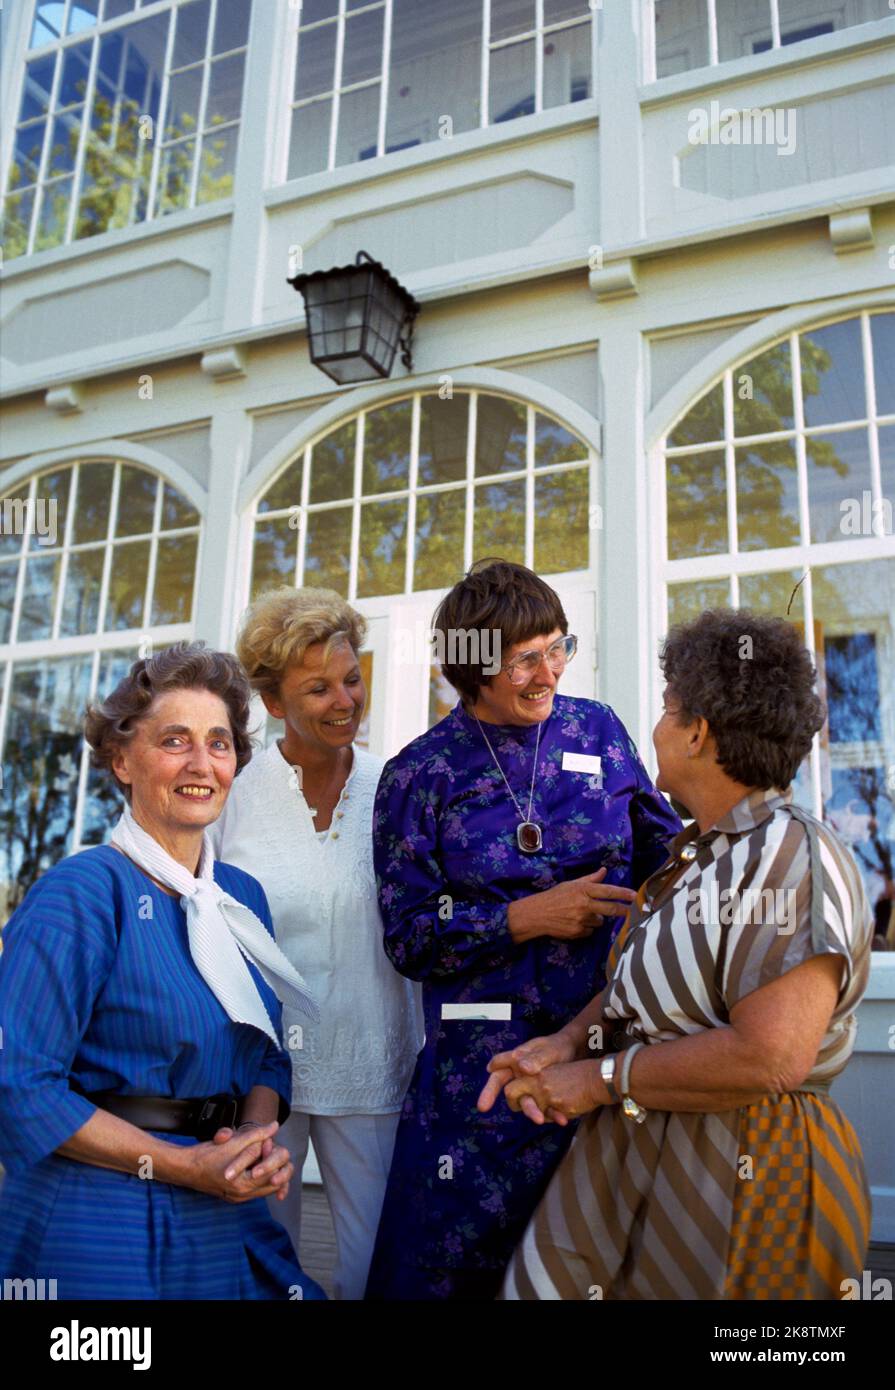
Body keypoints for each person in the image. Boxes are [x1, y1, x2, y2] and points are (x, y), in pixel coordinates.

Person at [481, 608, 874, 1301]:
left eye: (666, 711)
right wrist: (568, 1043)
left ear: (697, 733)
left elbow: (769, 1056)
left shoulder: (787, 857)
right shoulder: (695, 855)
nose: (655, 729)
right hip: (636, 1155)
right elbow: (645, 994)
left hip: (745, 1168)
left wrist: (599, 1080)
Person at [364, 559, 682, 1300]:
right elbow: (408, 936)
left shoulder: (596, 729)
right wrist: (521, 918)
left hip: (606, 1047)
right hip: (482, 1080)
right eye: (523, 660)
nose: (548, 673)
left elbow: (666, 862)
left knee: (606, 1264)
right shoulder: (419, 776)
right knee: (459, 1273)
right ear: (468, 669)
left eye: (557, 647)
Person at [0, 642, 325, 1300]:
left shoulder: (241, 897)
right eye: (174, 741)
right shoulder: (81, 894)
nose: (202, 764)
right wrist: (183, 1164)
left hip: (221, 1209)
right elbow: (22, 1086)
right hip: (99, 1212)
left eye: (220, 742)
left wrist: (252, 1144)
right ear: (122, 759)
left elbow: (265, 1055)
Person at [211, 587, 423, 1300]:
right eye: (319, 687)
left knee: (374, 1261)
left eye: (352, 678)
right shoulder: (231, 797)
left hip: (373, 1056)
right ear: (273, 703)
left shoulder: (398, 789)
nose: (345, 700)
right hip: (261, 1073)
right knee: (266, 1261)